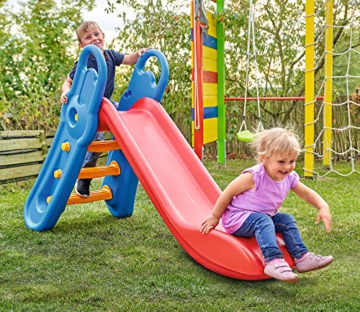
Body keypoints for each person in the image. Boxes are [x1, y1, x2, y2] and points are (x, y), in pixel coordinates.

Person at [200, 127, 333, 283]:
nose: (287, 167)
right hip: (237, 219)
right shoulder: (254, 176)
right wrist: (215, 217)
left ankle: (302, 257)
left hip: (264, 217)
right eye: (281, 162)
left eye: (292, 161)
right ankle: (273, 261)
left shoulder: (289, 177)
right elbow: (228, 193)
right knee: (262, 220)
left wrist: (323, 206)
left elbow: (306, 193)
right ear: (264, 158)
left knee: (286, 219)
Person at [60, 21, 150, 197]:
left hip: (106, 105)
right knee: (95, 144)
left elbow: (129, 60)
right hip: (88, 109)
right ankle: (84, 180)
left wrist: (139, 54)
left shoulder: (110, 56)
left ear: (103, 36)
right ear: (81, 45)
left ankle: (133, 154)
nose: (94, 39)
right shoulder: (85, 61)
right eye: (88, 37)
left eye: (97, 34)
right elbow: (68, 82)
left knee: (127, 115)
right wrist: (66, 93)